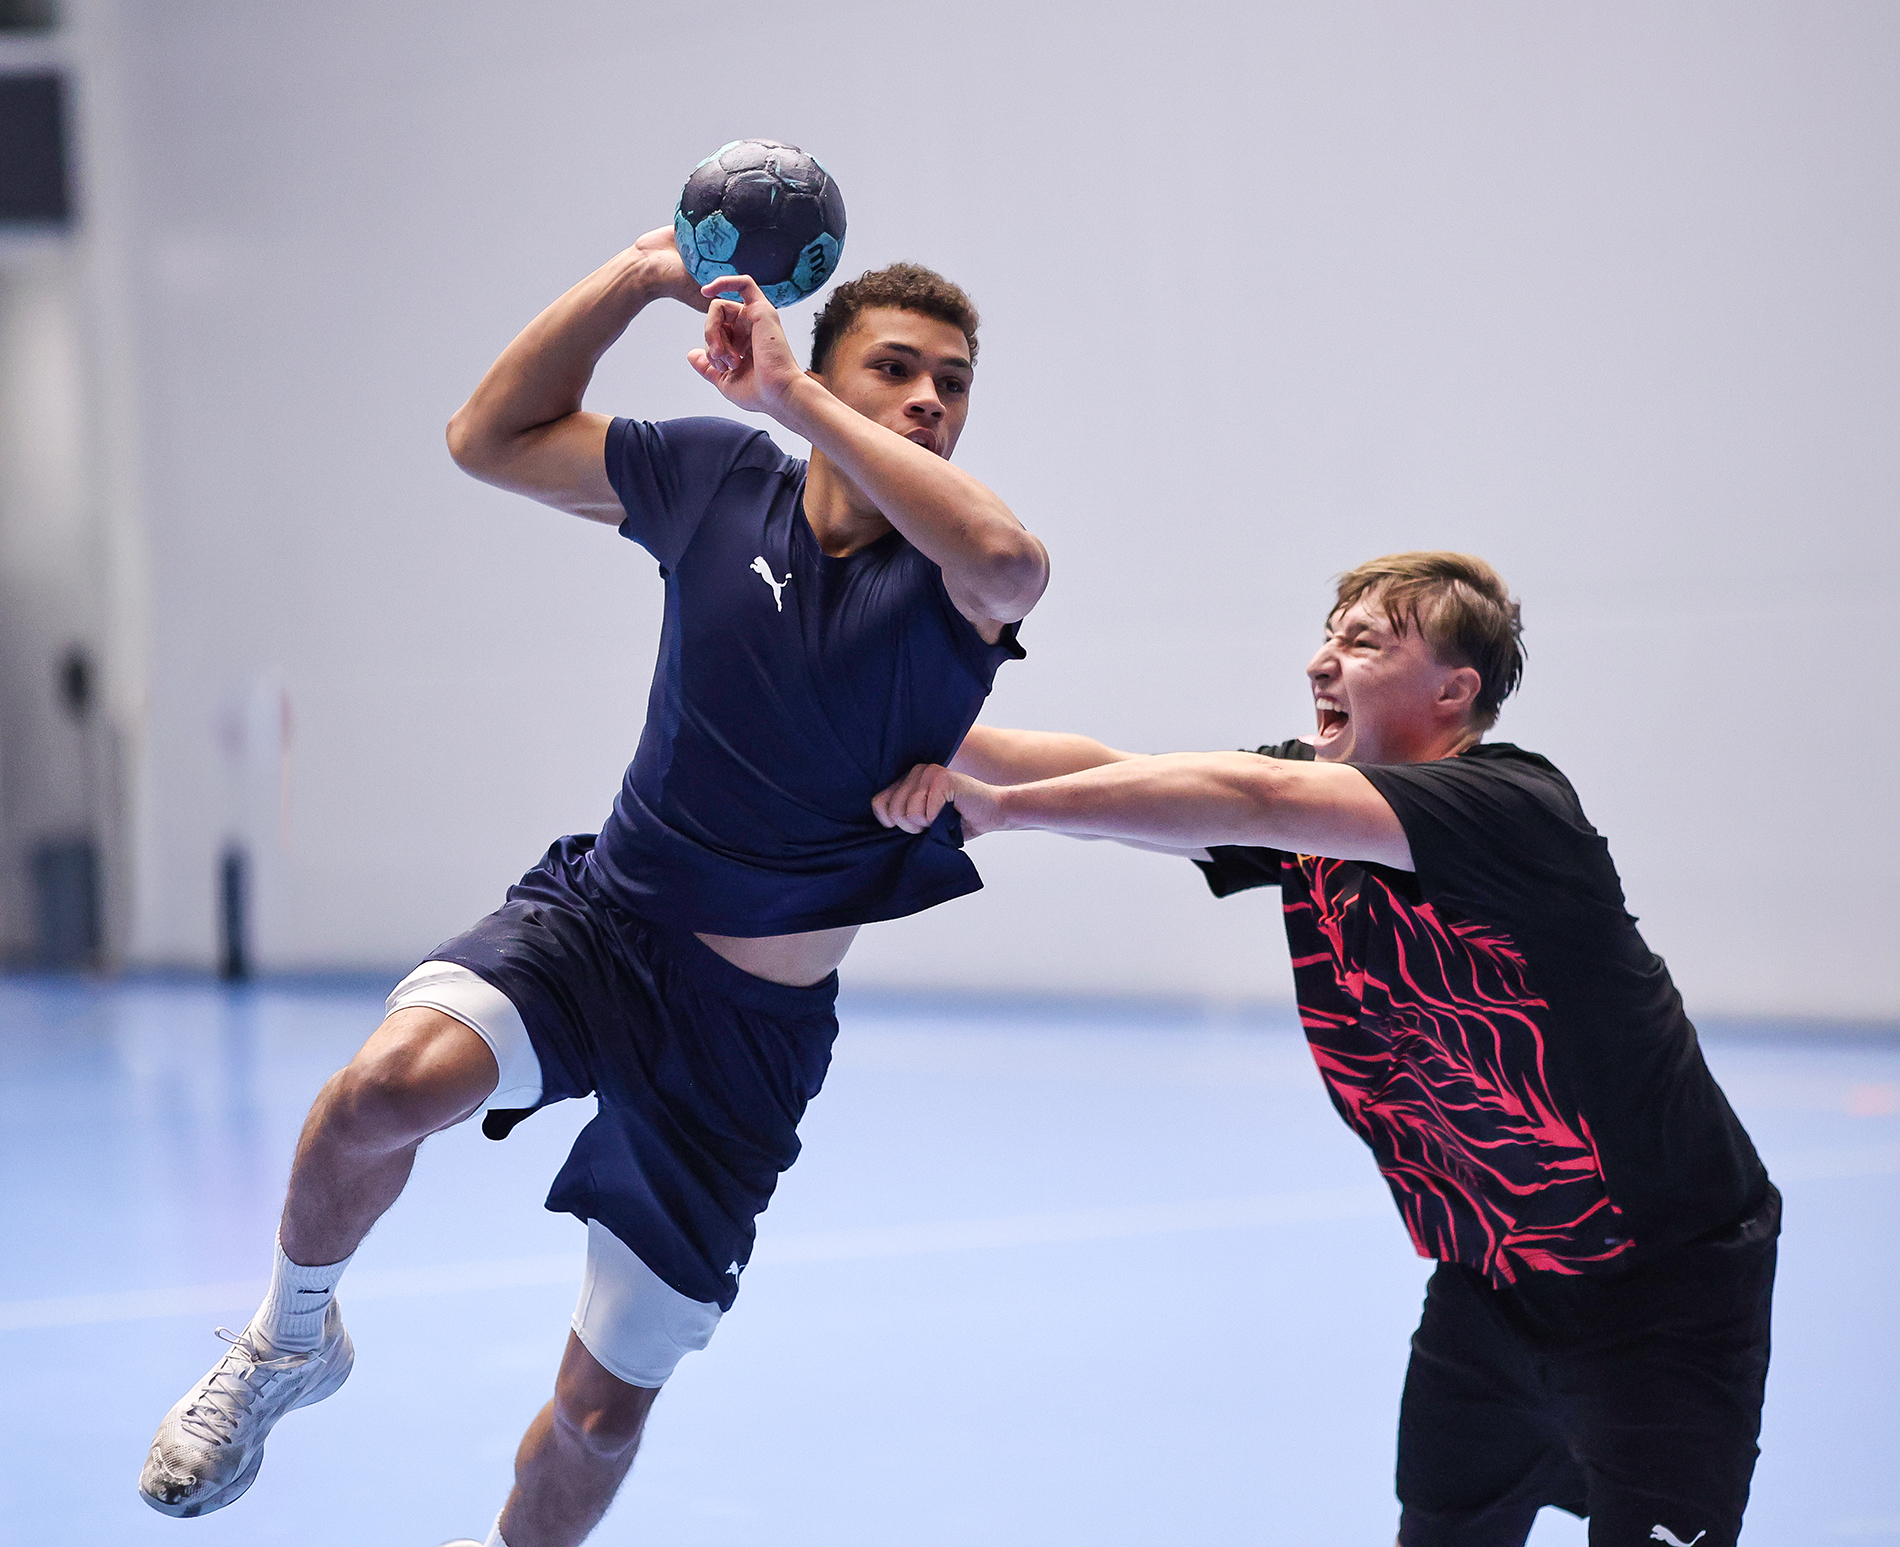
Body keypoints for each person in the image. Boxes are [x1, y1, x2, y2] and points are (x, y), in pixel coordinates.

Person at [138, 228, 1047, 1547]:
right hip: (604, 928)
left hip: (745, 1041)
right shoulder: (719, 477)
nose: (928, 399)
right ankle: (287, 1343)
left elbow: (1014, 562)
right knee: (382, 1090)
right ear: (832, 368)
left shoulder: (956, 580)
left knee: (600, 1417)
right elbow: (486, 437)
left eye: (951, 384)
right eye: (895, 368)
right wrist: (634, 276)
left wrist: (790, 393)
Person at [873, 552, 1775, 1547]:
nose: (1319, 661)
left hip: (1663, 1291)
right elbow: (1125, 774)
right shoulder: (1323, 810)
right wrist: (906, 727)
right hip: (1490, 1273)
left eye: (1362, 642)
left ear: (1454, 689)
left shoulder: (1513, 806)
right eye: (1326, 633)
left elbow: (1252, 796)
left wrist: (1001, 808)